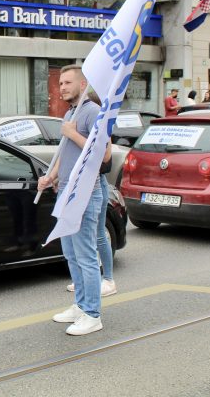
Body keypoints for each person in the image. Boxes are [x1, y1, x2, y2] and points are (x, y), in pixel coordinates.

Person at [37, 65, 104, 336]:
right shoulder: (70, 114)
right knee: (71, 255)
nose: (61, 87)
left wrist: (73, 133)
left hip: (85, 193)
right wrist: (50, 176)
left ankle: (93, 314)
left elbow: (101, 152)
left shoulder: (92, 112)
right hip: (65, 193)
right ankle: (80, 305)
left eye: (67, 82)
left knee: (86, 256)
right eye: (60, 83)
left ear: (82, 84)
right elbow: (65, 153)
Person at [66, 90, 117, 298]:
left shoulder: (101, 127)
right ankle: (85, 279)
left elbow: (105, 156)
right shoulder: (81, 123)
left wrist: (73, 134)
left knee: (98, 234)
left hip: (97, 184)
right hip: (84, 184)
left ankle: (109, 279)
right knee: (84, 236)